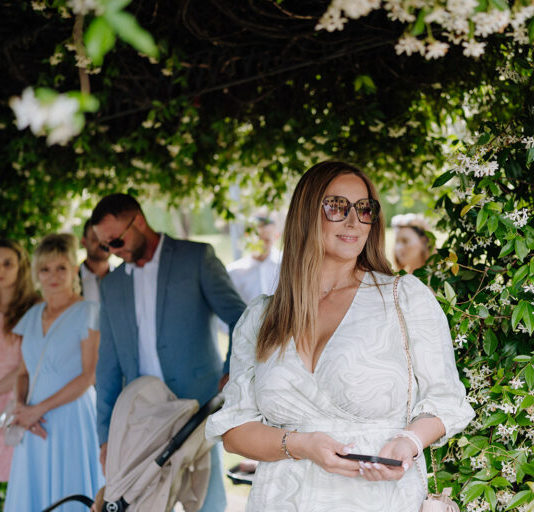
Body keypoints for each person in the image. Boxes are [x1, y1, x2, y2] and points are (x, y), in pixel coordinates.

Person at [206, 161, 474, 511]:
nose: (353, 221)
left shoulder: (403, 298)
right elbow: (235, 431)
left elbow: (447, 400)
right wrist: (301, 444)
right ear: (306, 213)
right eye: (336, 206)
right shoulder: (262, 316)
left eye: (364, 210)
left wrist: (409, 441)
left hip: (380, 499)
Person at [90, 193, 247, 512]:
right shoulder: (112, 285)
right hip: (141, 420)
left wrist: (232, 372)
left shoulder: (196, 258)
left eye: (117, 241)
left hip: (198, 408)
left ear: (139, 222)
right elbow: (107, 364)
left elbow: (241, 319)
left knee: (208, 503)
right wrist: (106, 436)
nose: (113, 252)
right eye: (106, 246)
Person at [4, 234, 104, 512]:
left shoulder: (89, 312)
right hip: (32, 421)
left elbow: (88, 376)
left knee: (70, 486)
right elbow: (23, 372)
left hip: (71, 417)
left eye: (61, 267)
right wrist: (23, 408)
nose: (53, 276)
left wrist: (39, 410)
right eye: (45, 269)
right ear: (36, 274)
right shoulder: (32, 316)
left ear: (73, 269)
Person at [0, 240, 40, 512]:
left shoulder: (36, 308)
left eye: (7, 263)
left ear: (21, 267)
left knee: (25, 479)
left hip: (18, 400)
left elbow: (30, 363)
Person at [226, 215, 282, 304]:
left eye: (267, 240)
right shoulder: (234, 271)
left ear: (276, 236)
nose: (262, 245)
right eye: (258, 239)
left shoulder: (285, 266)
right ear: (247, 236)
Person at [79, 219, 113, 304]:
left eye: (108, 239)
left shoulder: (123, 277)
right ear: (84, 242)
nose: (103, 244)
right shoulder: (71, 280)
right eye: (95, 238)